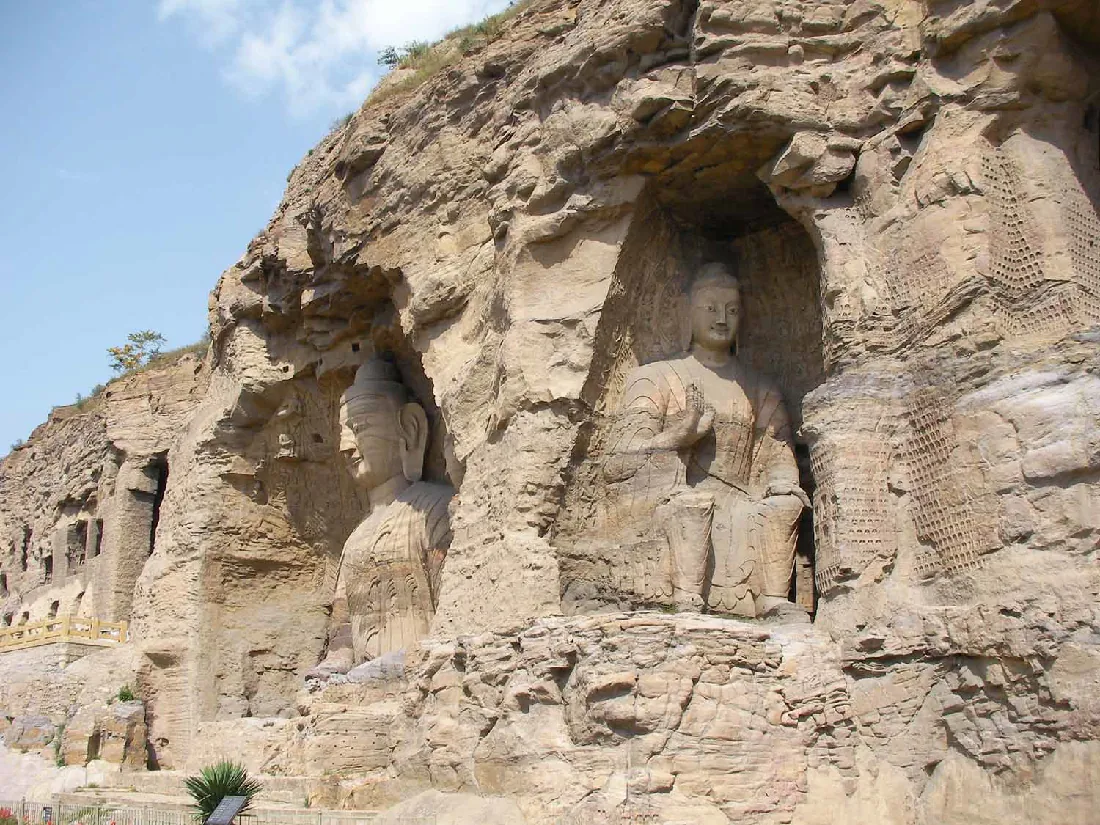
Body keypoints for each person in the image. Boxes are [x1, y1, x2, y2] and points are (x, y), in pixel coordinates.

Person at [605, 263, 808, 616]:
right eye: (710, 308)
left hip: (744, 504)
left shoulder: (759, 388)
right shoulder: (655, 378)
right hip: (677, 498)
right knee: (691, 506)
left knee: (785, 505)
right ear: (686, 313)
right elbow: (618, 462)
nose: (721, 318)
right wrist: (677, 437)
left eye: (731, 310)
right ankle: (686, 599)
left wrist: (783, 482)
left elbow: (777, 454)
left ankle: (773, 603)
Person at [312, 357, 453, 675]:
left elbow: (453, 607)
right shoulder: (354, 539)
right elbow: (343, 629)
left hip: (423, 671)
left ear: (408, 428)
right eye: (342, 435)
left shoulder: (434, 509)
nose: (346, 448)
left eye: (358, 429)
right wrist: (335, 663)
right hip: (363, 675)